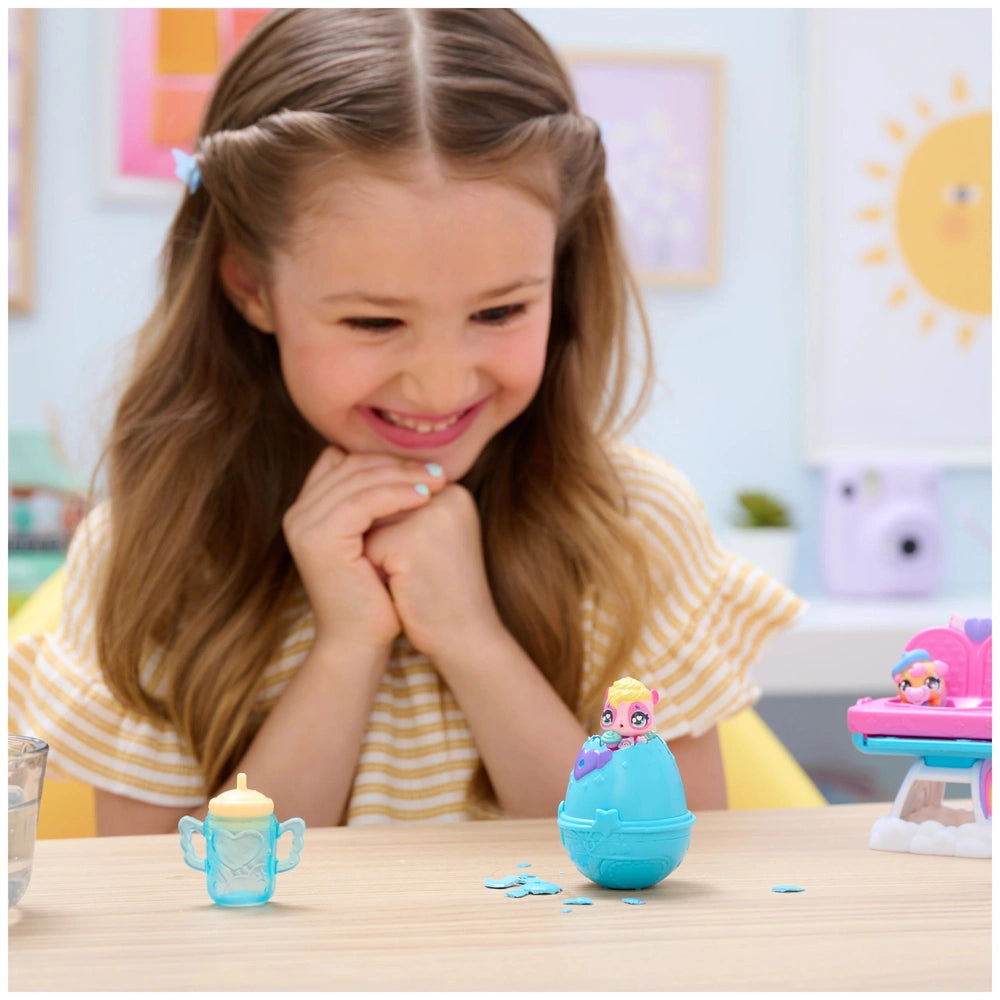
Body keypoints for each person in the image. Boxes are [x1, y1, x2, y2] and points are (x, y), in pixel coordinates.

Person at [8, 9, 802, 834]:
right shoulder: (160, 552)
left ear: (560, 271)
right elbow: (171, 927)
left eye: (499, 311)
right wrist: (347, 646)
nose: (438, 383)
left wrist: (471, 637)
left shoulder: (630, 526)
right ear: (250, 287)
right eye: (374, 323)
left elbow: (675, 870)